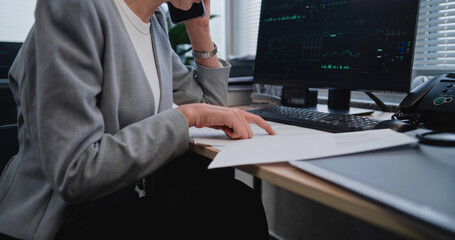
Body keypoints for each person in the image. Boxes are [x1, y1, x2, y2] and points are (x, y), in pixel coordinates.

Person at [0, 0, 276, 239]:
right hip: (60, 221)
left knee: (227, 197)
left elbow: (213, 110)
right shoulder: (75, 8)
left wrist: (200, 29)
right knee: (235, 207)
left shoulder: (153, 24)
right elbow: (76, 172)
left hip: (117, 203)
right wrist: (186, 116)